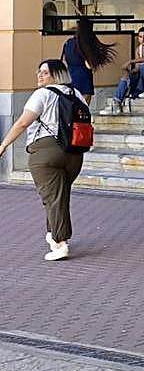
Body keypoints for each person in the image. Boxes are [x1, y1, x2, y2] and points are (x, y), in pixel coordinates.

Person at [0, 60, 87, 261]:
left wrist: (4, 144)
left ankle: (60, 242)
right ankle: (54, 233)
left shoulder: (43, 94)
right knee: (59, 195)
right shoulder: (77, 94)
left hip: (45, 151)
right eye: (39, 71)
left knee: (53, 197)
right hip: (74, 152)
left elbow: (23, 123)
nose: (40, 76)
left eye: (45, 72)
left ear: (57, 75)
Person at [62, 17, 116, 106]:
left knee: (72, 107)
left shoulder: (68, 43)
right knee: (84, 108)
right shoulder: (86, 43)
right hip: (84, 76)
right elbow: (89, 65)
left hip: (70, 76)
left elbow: (64, 60)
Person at [108, 25, 144, 113]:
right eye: (140, 37)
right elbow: (137, 68)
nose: (142, 39)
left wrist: (130, 61)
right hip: (142, 76)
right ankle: (116, 101)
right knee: (126, 76)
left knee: (143, 66)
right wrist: (128, 72)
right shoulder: (138, 49)